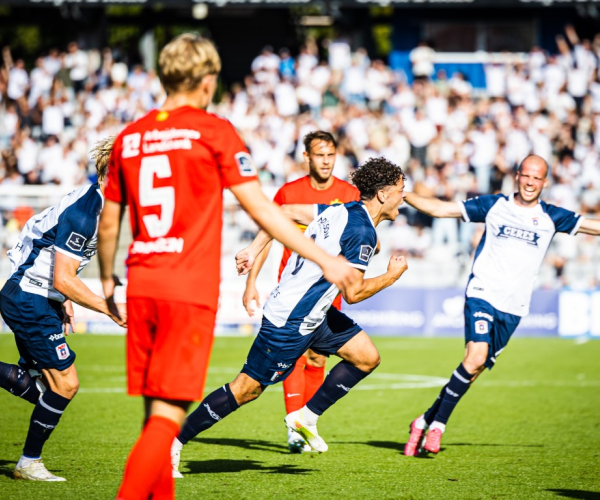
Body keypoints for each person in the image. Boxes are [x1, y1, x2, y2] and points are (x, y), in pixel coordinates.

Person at [96, 34, 354, 500]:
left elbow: (110, 221)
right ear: (208, 79)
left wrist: (108, 283)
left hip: (141, 284)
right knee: (167, 422)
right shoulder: (213, 131)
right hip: (185, 288)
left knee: (156, 412)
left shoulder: (131, 136)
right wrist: (324, 258)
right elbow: (264, 210)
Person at [171, 157, 408, 476]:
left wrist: (254, 249)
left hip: (315, 314)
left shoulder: (339, 209)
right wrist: (391, 276)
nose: (403, 197)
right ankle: (172, 443)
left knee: (365, 356)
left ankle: (305, 418)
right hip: (291, 320)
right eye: (400, 190)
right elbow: (353, 293)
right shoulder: (362, 230)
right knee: (247, 389)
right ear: (383, 194)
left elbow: (282, 212)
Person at [402, 155, 600, 456]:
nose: (531, 182)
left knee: (476, 368)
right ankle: (438, 427)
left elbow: (592, 226)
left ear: (545, 182)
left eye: (537, 178)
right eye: (526, 176)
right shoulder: (494, 205)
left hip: (514, 307)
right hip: (483, 292)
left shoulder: (552, 216)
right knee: (475, 357)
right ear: (517, 176)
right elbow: (441, 209)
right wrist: (401, 193)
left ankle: (422, 420)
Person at [0, 136, 126, 482]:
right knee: (65, 384)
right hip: (29, 297)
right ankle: (28, 463)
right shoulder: (87, 211)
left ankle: (29, 461)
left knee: (44, 389)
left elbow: (52, 256)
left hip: (35, 295)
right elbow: (63, 277)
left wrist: (64, 298)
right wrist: (109, 307)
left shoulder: (94, 205)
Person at [242, 130, 361, 453]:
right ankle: (295, 427)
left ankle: (306, 422)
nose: (326, 161)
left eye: (330, 155)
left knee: (318, 358)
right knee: (294, 356)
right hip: (292, 290)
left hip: (328, 288)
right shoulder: (289, 192)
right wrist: (251, 282)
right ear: (306, 158)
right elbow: (268, 231)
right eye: (319, 155)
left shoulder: (349, 192)